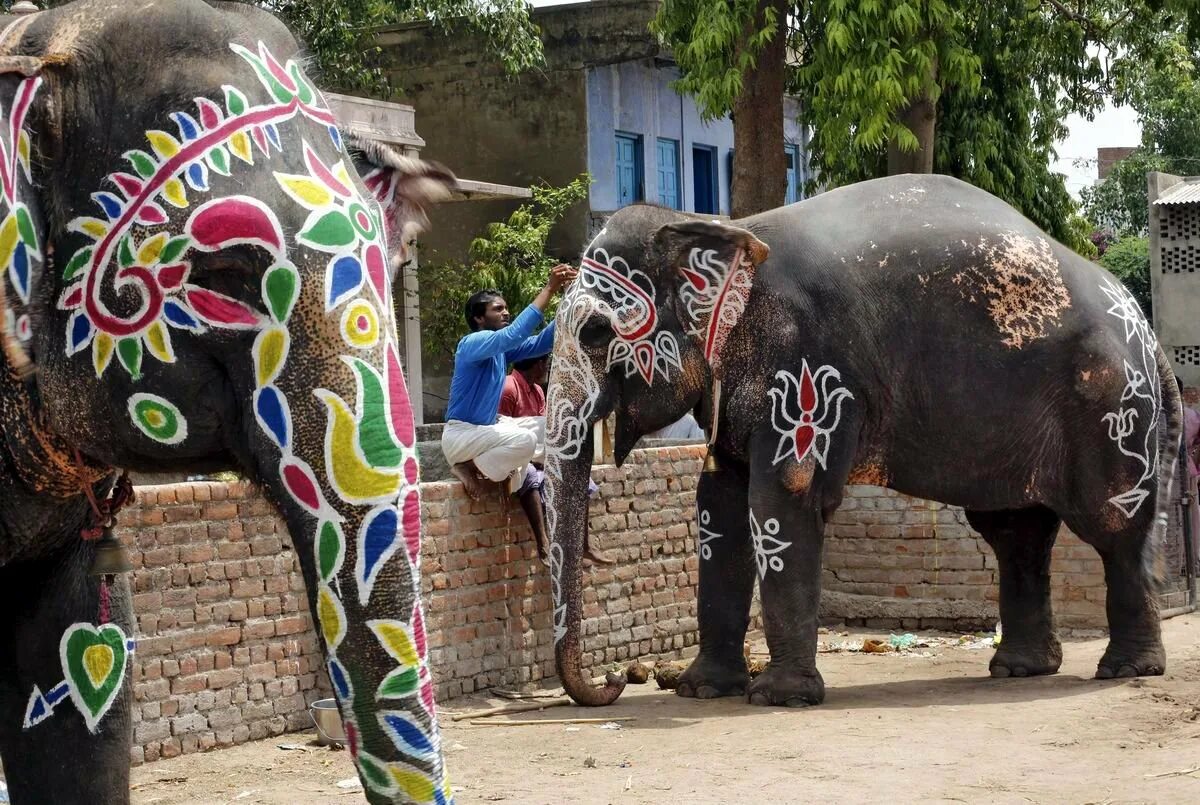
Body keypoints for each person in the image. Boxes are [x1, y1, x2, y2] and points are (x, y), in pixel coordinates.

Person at [441, 267, 574, 501]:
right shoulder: (472, 342)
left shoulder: (499, 351)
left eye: (506, 308)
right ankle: (469, 466)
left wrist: (569, 296)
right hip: (462, 436)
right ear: (479, 318)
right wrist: (550, 287)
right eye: (498, 309)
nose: (506, 313)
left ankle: (508, 467)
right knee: (527, 441)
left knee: (552, 427)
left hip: (487, 430)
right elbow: (513, 334)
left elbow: (543, 342)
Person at [497, 356, 611, 564]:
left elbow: (546, 431)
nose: (547, 368)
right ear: (538, 364)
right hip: (515, 457)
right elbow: (499, 431)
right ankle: (543, 542)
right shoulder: (508, 388)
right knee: (529, 474)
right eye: (545, 363)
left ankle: (584, 544)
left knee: (578, 476)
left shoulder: (538, 391)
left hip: (538, 455)